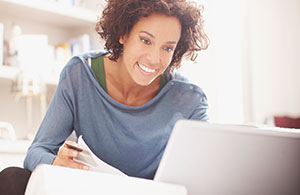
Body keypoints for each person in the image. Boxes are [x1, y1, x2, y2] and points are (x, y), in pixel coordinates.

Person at [0, 0, 209, 194]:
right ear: (123, 34)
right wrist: (56, 163)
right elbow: (37, 152)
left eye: (167, 48)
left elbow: (203, 178)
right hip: (89, 190)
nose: (155, 59)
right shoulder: (80, 74)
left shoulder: (190, 99)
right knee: (12, 177)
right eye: (145, 40)